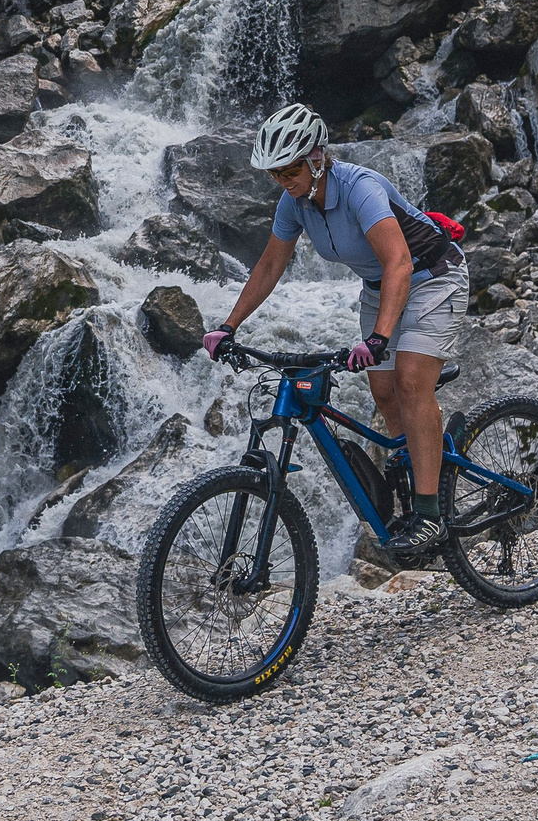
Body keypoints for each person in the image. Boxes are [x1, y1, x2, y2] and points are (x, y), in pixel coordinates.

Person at [200, 103, 469, 563]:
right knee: (383, 393)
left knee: (408, 382)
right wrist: (229, 325)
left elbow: (399, 262)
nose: (283, 180)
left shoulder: (360, 188)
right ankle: (419, 469)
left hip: (432, 275)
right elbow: (270, 264)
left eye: (289, 170)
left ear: (316, 158)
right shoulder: (294, 204)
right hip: (379, 286)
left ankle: (429, 515)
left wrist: (381, 337)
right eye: (275, 174)